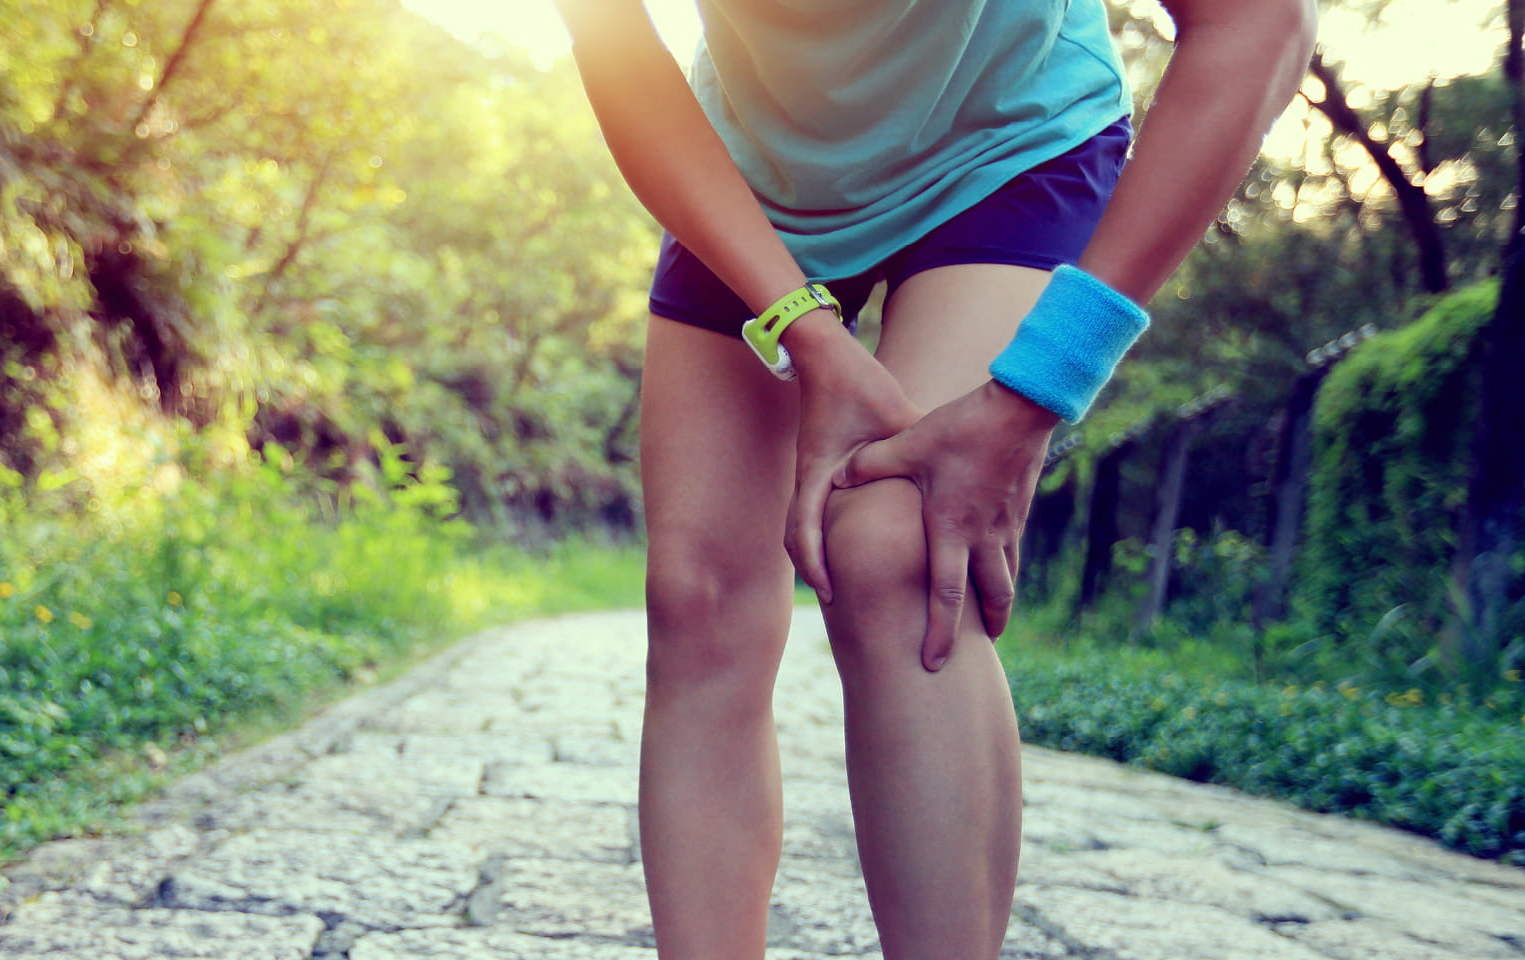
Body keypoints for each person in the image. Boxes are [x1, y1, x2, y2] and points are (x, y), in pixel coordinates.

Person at [553, 0, 1316, 958]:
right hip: (758, 177)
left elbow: (1262, 20)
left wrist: (1045, 380)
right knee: (694, 596)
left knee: (899, 548)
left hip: (1006, 146)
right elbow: (613, 45)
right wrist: (800, 325)